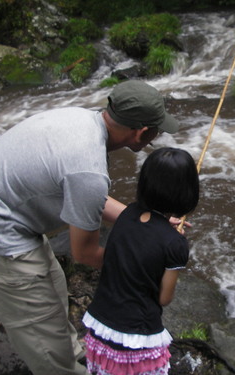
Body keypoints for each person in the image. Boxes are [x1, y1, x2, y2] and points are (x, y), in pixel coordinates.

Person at [0, 80, 186, 375]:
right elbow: (85, 253)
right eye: (157, 129)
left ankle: (78, 358)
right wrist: (147, 266)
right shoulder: (88, 168)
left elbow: (88, 197)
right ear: (141, 132)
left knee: (55, 290)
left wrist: (151, 224)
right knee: (43, 338)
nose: (158, 134)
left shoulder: (82, 118)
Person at [82, 147, 199, 375]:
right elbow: (164, 298)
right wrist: (174, 244)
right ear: (188, 193)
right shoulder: (176, 244)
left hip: (100, 329)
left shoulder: (128, 214)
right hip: (136, 340)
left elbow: (145, 234)